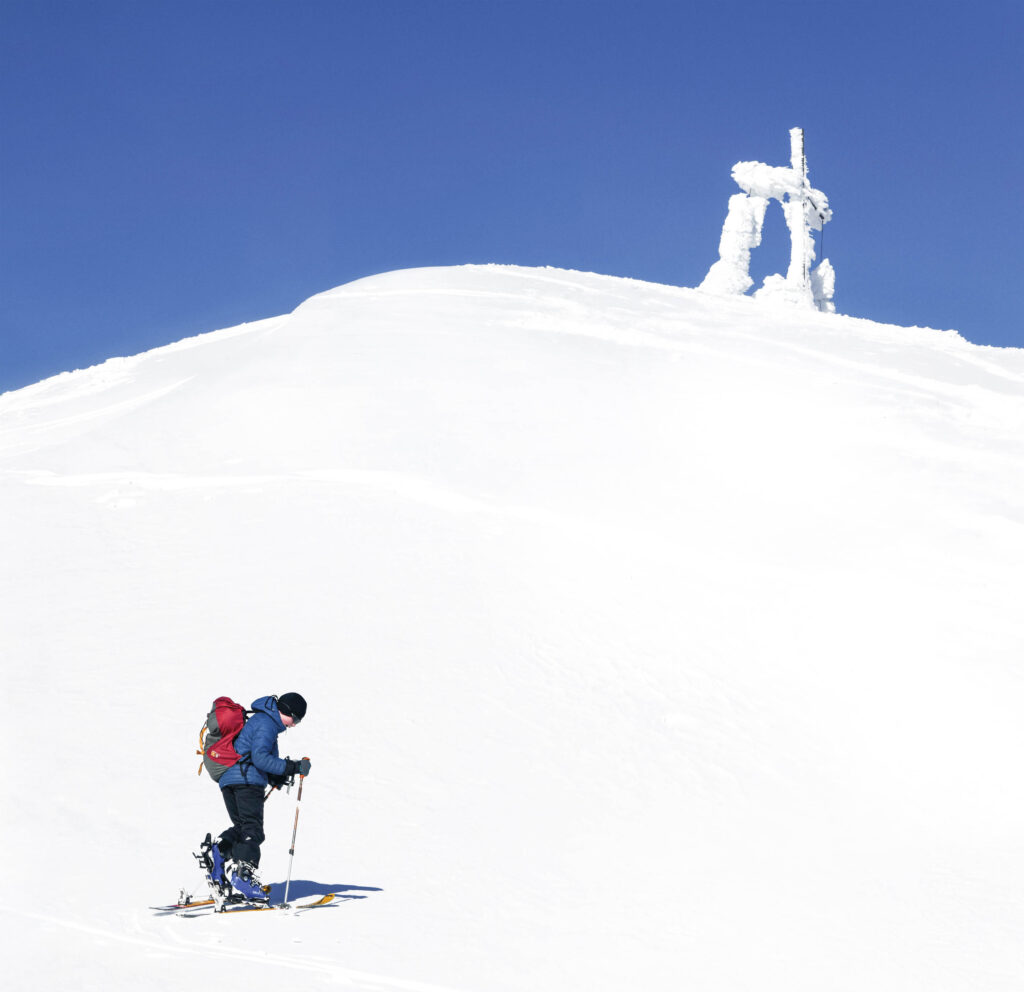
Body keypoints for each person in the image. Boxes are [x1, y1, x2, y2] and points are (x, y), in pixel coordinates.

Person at [209, 692, 311, 900]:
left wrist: (275, 777)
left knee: (241, 828)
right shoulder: (267, 723)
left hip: (230, 779)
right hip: (246, 781)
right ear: (287, 712)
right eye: (296, 719)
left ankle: (219, 853)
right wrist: (293, 767)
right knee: (252, 831)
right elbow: (261, 758)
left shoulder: (262, 719)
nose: (294, 725)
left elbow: (251, 754)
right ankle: (244, 877)